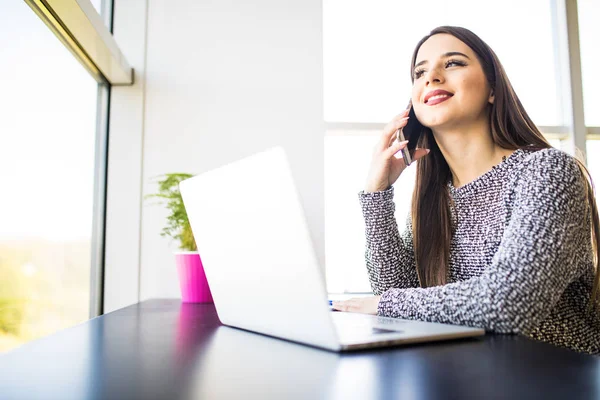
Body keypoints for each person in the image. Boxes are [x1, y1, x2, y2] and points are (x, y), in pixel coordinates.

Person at [331, 26, 600, 355]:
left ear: (492, 89)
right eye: (420, 71)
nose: (432, 77)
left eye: (453, 63)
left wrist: (382, 303)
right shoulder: (435, 200)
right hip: (468, 377)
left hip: (559, 381)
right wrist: (376, 196)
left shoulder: (547, 172)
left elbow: (508, 302)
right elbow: (398, 292)